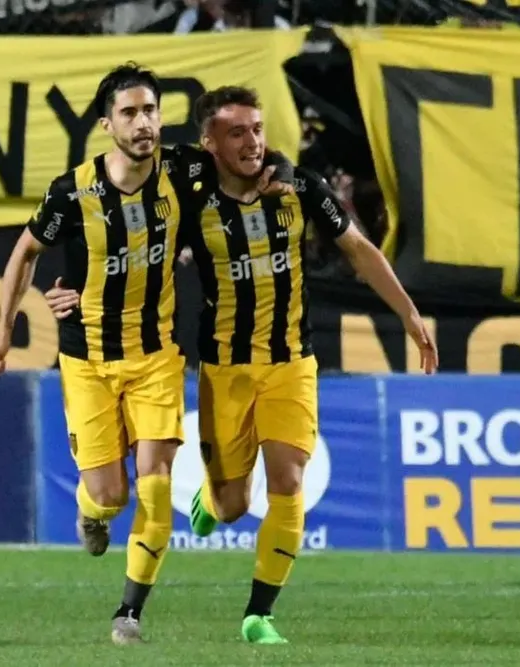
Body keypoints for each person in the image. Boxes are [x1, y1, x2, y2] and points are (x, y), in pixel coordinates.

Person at [43, 86, 438, 645]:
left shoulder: (297, 186)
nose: (253, 141)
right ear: (209, 146)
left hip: (291, 363)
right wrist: (68, 293)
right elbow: (126, 247)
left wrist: (409, 315)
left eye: (257, 129)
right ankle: (209, 498)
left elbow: (357, 248)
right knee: (231, 507)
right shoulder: (189, 200)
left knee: (289, 480)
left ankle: (260, 615)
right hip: (225, 369)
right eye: (237, 133)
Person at [0, 63, 293, 645]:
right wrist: (5, 331)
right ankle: (91, 513)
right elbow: (25, 253)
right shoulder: (73, 192)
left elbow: (257, 156)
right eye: (129, 112)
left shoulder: (183, 169)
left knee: (155, 487)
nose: (143, 122)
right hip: (89, 361)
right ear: (107, 125)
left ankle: (129, 612)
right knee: (110, 494)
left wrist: (285, 173)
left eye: (150, 110)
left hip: (156, 356)